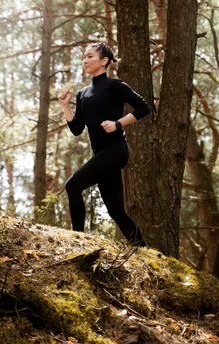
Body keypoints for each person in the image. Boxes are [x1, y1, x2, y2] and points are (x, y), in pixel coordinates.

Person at [58, 42, 150, 246]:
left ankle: (77, 240)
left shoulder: (116, 86)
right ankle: (144, 250)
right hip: (101, 154)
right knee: (115, 210)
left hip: (116, 150)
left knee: (72, 185)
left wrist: (118, 123)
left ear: (104, 61)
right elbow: (76, 129)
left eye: (90, 56)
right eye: (84, 56)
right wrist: (65, 106)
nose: (85, 60)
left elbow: (144, 108)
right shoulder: (83, 94)